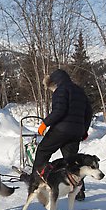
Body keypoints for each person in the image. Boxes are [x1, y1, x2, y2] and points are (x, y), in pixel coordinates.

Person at [32, 69, 93, 199]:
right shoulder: (79, 91)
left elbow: (59, 111)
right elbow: (89, 113)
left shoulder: (61, 90)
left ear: (54, 82)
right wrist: (84, 129)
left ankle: (35, 181)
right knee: (72, 160)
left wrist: (45, 123)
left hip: (62, 129)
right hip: (76, 132)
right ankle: (79, 191)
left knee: (43, 150)